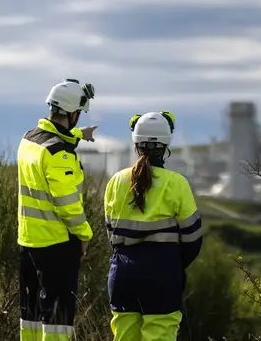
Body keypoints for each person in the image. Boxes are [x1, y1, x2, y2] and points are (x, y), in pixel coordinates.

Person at [105, 111, 203, 341]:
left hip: (123, 273)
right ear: (166, 144)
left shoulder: (116, 181)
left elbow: (110, 233)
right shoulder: (177, 183)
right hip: (163, 272)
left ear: (135, 143)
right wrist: (173, 265)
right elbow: (193, 238)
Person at [18, 79, 98, 341]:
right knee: (58, 319)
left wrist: (79, 134)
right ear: (73, 114)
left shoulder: (29, 140)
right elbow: (68, 205)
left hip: (28, 241)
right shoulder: (59, 153)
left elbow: (54, 139)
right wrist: (85, 235)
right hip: (56, 245)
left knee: (29, 316)